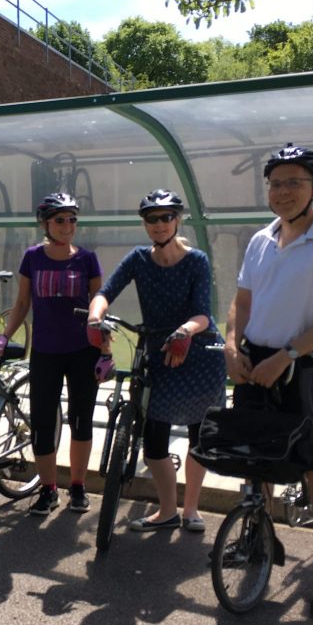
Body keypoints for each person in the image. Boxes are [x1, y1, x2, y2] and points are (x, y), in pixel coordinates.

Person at [224, 143, 313, 616]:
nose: (282, 192)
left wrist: (286, 355)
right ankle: (256, 539)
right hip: (254, 363)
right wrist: (231, 346)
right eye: (276, 183)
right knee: (254, 458)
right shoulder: (261, 240)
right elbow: (241, 303)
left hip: (303, 365)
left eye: (293, 182)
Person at [87, 190, 227, 533]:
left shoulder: (197, 260)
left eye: (167, 217)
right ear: (145, 223)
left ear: (177, 220)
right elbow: (106, 292)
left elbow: (204, 315)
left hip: (198, 353)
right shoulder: (138, 259)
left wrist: (185, 332)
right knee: (153, 442)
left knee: (199, 436)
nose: (160, 224)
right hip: (159, 355)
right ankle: (167, 510)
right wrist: (94, 317)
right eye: (153, 218)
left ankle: (191, 509)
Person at [0, 193, 105, 516]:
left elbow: (100, 306)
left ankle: (79, 487)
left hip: (83, 351)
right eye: (60, 220)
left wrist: (105, 349)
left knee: (81, 421)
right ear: (45, 224)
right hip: (45, 352)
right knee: (42, 423)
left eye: (72, 219)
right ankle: (48, 488)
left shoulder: (87, 259)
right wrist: (3, 335)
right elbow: (23, 303)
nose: (67, 226)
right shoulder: (32, 257)